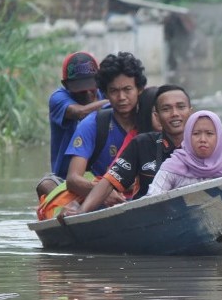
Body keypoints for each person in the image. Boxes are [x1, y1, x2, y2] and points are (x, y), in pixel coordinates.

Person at [62, 84, 194, 215]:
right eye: (166, 109)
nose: (175, 114)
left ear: (191, 111)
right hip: (147, 217)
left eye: (181, 107)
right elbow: (109, 182)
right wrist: (82, 210)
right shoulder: (141, 144)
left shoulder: (206, 141)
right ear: (157, 116)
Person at [62, 51, 147, 204]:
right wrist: (103, 193)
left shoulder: (151, 120)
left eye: (127, 89)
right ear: (105, 93)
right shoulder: (92, 124)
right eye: (114, 91)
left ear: (139, 89)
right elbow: (73, 179)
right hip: (105, 203)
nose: (121, 97)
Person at [36, 51, 108, 198]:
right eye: (81, 90)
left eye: (91, 87)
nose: (88, 94)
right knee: (45, 184)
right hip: (66, 180)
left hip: (104, 176)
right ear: (66, 85)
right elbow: (80, 112)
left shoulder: (107, 92)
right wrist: (115, 102)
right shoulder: (58, 98)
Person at [147, 110, 222, 196]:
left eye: (209, 133)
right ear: (188, 136)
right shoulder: (172, 166)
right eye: (196, 133)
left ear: (219, 138)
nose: (202, 139)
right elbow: (152, 200)